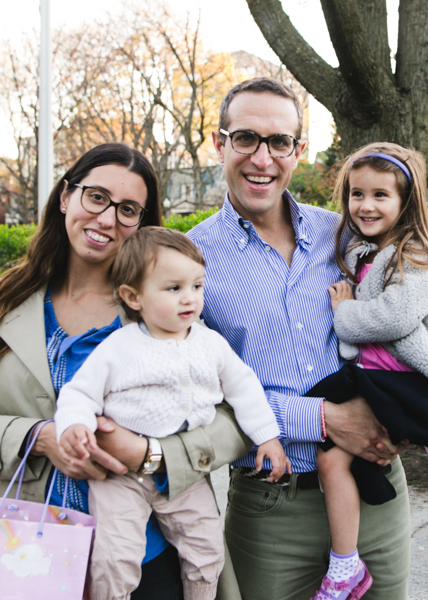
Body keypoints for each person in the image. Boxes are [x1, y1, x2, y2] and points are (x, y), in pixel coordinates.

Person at [0, 143, 251, 600]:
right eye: (96, 197)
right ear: (67, 197)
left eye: (128, 210)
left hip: (142, 556)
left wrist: (149, 454)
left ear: (142, 225)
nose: (107, 219)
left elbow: (231, 418)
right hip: (23, 550)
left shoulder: (162, 309)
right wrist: (43, 437)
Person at [187, 77, 412, 600]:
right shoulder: (189, 260)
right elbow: (197, 395)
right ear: (220, 144)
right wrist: (324, 418)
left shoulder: (349, 234)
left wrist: (410, 416)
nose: (261, 158)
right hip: (271, 510)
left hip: (375, 489)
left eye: (278, 142)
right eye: (245, 138)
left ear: (297, 151)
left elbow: (410, 322)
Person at [54, 226, 289, 600]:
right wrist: (74, 427)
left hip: (181, 475)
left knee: (207, 546)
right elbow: (79, 393)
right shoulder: (119, 347)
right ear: (133, 297)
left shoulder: (210, 343)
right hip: (119, 479)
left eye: (197, 286)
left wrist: (268, 437)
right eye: (173, 288)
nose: (189, 299)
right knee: (115, 557)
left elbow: (244, 387)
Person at [309, 142, 428, 599]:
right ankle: (349, 552)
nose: (365, 205)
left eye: (380, 195)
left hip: (405, 382)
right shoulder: (371, 252)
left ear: (405, 203)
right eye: (356, 194)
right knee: (330, 443)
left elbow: (393, 319)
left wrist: (343, 314)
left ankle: (345, 568)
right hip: (379, 377)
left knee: (327, 446)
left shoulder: (414, 254)